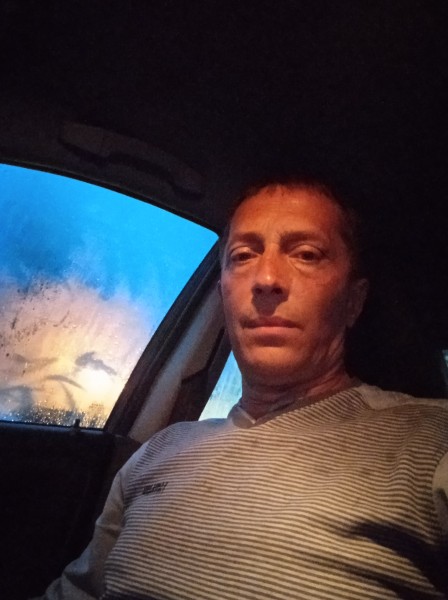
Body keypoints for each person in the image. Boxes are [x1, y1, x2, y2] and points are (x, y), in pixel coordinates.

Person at [35, 176, 448, 599]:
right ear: (224, 295)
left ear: (353, 301)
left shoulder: (432, 441)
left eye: (306, 254)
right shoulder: (158, 451)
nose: (266, 278)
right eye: (243, 256)